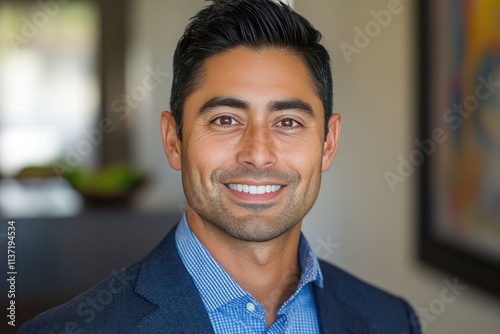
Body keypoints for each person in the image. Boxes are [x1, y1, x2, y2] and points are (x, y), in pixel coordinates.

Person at [19, 0, 421, 333]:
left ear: (328, 143)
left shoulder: (391, 321)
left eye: (288, 122)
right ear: (173, 140)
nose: (258, 154)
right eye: (225, 120)